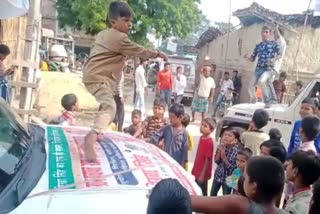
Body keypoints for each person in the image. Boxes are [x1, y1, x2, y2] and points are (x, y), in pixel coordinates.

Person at [82, 1, 167, 162]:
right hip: (98, 77)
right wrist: (158, 53)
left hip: (96, 76)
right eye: (126, 21)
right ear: (114, 22)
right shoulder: (120, 38)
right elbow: (140, 50)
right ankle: (91, 139)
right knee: (110, 107)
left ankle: (97, 131)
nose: (130, 24)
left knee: (107, 106)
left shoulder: (103, 34)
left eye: (131, 21)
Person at [191, 156, 286, 214]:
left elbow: (188, 200)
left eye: (245, 177)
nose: (242, 179)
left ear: (253, 186)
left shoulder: (240, 204)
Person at [245, 26, 280, 107]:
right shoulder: (258, 46)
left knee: (261, 82)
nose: (264, 34)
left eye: (266, 32)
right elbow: (252, 59)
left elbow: (279, 55)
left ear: (269, 34)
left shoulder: (273, 44)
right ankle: (254, 99)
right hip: (258, 69)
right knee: (250, 86)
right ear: (261, 33)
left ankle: (268, 102)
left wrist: (273, 59)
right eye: (263, 32)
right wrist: (247, 57)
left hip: (268, 69)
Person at [211, 127, 239, 196]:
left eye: (229, 135)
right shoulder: (220, 146)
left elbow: (233, 169)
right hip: (218, 176)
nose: (226, 137)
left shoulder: (237, 152)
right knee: (212, 194)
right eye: (225, 135)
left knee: (226, 196)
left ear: (235, 140)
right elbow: (217, 161)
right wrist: (219, 152)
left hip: (229, 179)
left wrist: (224, 157)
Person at [191, 118, 215, 196]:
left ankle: (204, 206)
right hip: (198, 168)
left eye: (205, 126)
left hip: (203, 171)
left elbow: (207, 159)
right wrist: (194, 168)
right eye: (202, 125)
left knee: (203, 190)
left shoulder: (209, 141)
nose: (202, 127)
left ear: (211, 130)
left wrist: (202, 174)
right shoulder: (202, 138)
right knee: (196, 187)